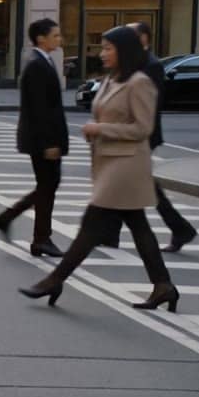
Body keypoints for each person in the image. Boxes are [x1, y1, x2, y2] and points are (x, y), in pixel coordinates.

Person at [19, 26, 179, 312]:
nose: (101, 53)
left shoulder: (139, 83)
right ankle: (163, 285)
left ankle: (54, 280)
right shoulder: (110, 80)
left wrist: (100, 128)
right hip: (109, 162)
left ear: (124, 51)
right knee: (139, 226)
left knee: (90, 226)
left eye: (108, 48)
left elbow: (143, 127)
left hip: (126, 165)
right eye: (102, 47)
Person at [0, 19, 67, 259]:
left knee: (47, 186)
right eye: (55, 35)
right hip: (42, 140)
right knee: (47, 186)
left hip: (44, 138)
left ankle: (9, 220)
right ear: (41, 38)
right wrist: (49, 143)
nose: (59, 39)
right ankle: (40, 238)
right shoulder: (36, 65)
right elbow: (39, 110)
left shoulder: (44, 61)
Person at [127, 21, 198, 254]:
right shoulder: (137, 62)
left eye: (131, 35)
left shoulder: (151, 65)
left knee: (136, 183)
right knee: (131, 182)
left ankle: (180, 229)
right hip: (136, 133)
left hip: (144, 134)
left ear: (144, 39)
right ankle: (180, 229)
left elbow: (150, 104)